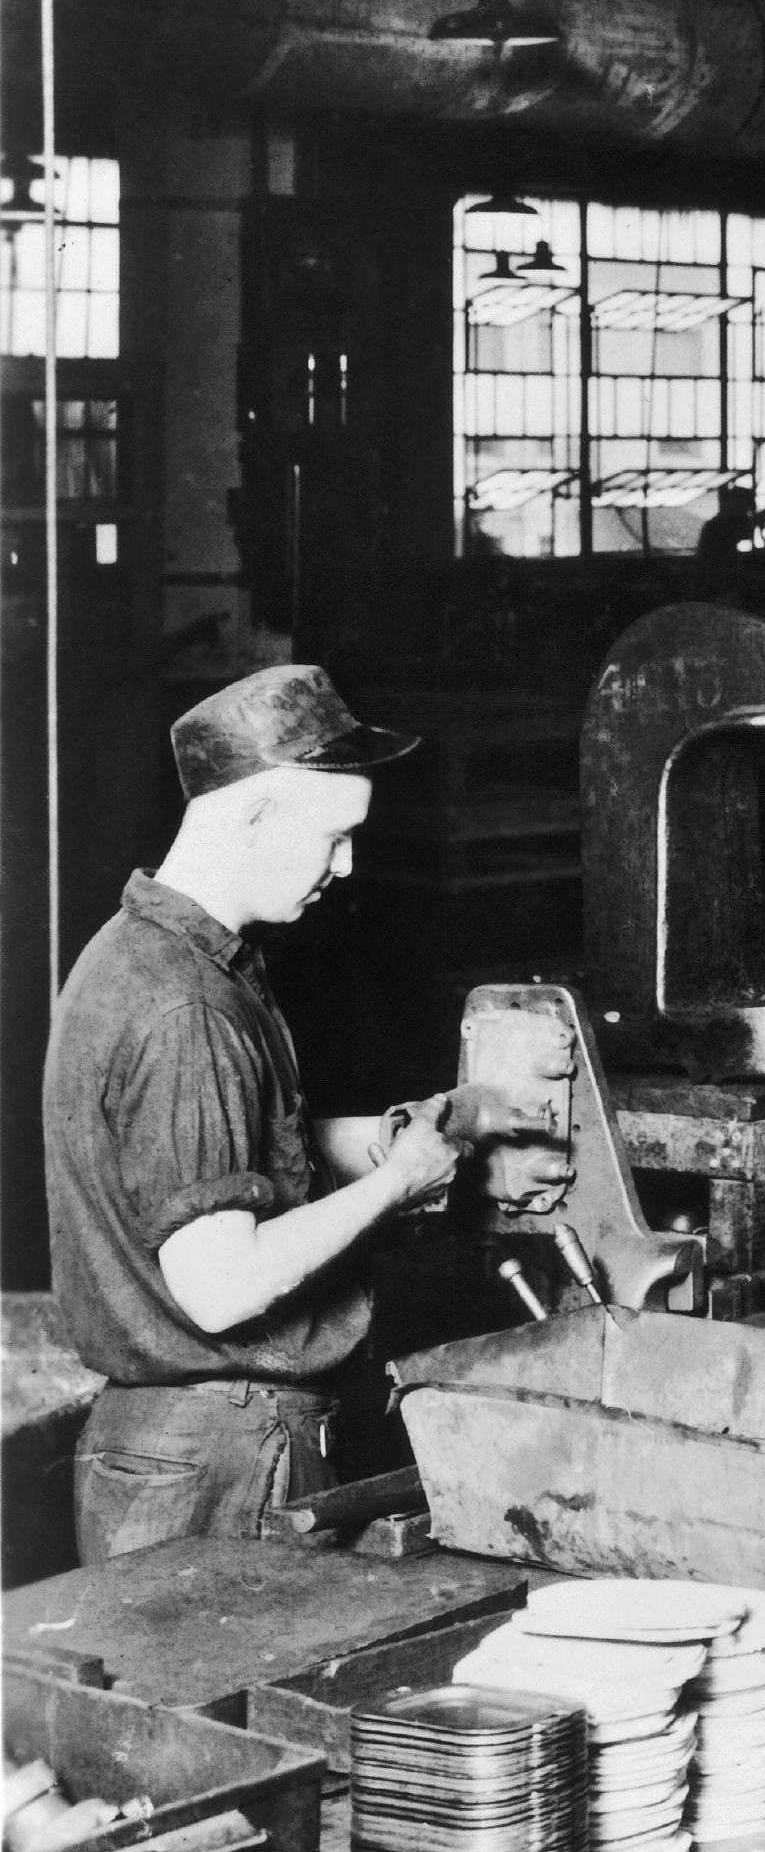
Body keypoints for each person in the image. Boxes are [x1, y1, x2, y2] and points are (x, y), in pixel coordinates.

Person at [45, 667, 475, 1557]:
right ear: (252, 816)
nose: (345, 866)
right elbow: (222, 1284)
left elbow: (214, 1153)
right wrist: (396, 1183)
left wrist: (381, 1141)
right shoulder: (186, 1007)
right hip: (224, 1455)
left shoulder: (149, 957)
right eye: (334, 837)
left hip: (184, 1444)